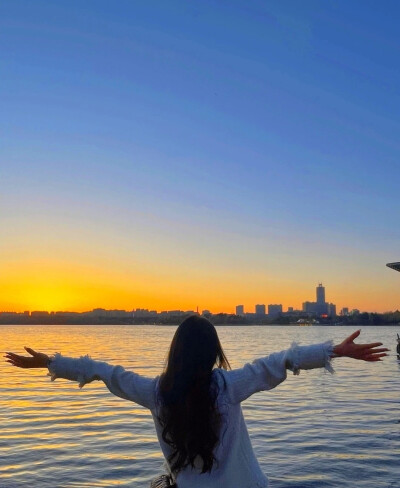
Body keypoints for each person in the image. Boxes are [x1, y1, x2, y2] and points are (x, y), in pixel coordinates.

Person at [5, 316, 388, 488]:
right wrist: (333, 350)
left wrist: (52, 362)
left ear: (176, 351)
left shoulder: (156, 392)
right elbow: (279, 361)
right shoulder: (229, 385)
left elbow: (106, 371)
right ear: (213, 353)